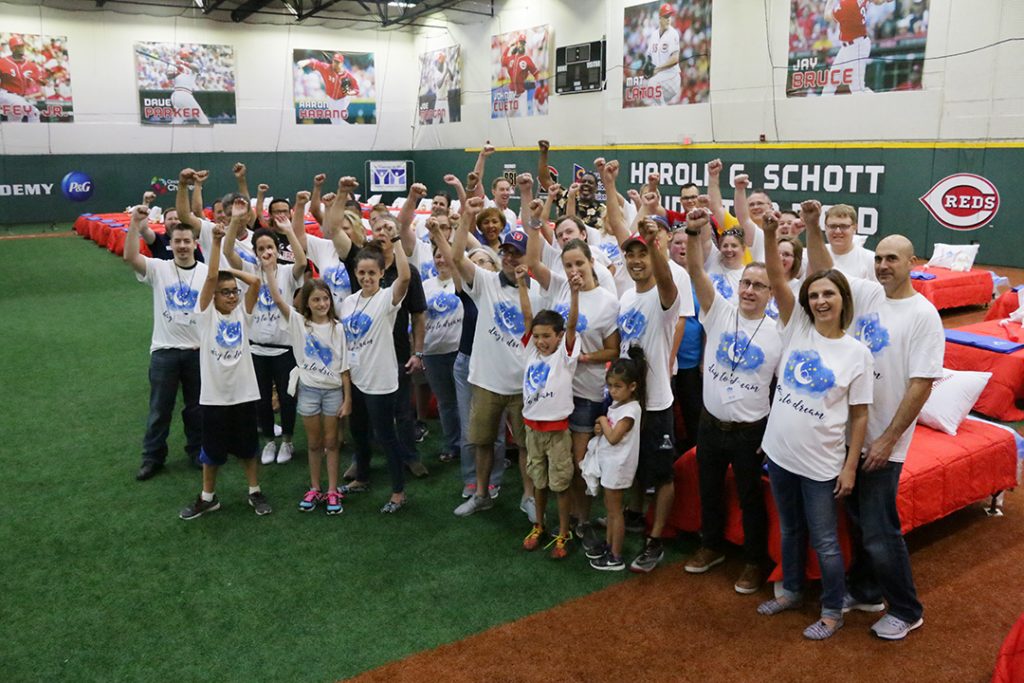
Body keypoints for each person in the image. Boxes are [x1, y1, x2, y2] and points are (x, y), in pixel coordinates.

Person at [756, 209, 873, 641]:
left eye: (829, 294)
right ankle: (788, 590)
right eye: (815, 294)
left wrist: (849, 467)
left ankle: (831, 608)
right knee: (789, 528)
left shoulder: (858, 353)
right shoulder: (797, 327)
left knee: (825, 541)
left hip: (822, 465)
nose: (821, 301)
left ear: (844, 301)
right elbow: (774, 273)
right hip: (781, 454)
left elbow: (859, 414)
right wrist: (770, 234)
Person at [840, 229, 943, 640]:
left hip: (885, 442)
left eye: (893, 259)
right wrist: (813, 228)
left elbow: (921, 384)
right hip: (852, 437)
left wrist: (888, 440)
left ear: (912, 262)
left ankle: (906, 608)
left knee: (881, 530)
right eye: (879, 258)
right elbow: (822, 265)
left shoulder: (923, 315)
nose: (883, 265)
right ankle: (866, 591)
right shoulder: (867, 295)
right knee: (858, 522)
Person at [681, 208, 781, 594]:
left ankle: (755, 562)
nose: (750, 290)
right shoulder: (719, 311)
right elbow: (695, 271)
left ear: (772, 293)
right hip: (710, 424)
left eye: (759, 285)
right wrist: (693, 231)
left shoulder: (777, 332)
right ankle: (711, 546)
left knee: (750, 498)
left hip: (750, 432)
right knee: (708, 489)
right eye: (746, 284)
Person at [524, 199, 621, 554]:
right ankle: (565, 521)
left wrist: (582, 357)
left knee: (579, 463)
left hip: (586, 391)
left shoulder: (609, 301)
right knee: (556, 461)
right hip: (554, 395)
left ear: (591, 261)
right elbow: (533, 262)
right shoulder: (562, 288)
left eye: (578, 262)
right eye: (568, 264)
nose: (573, 269)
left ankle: (582, 520)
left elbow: (614, 350)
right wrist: (535, 220)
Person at [602, 160, 680, 574]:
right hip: (628, 399)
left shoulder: (664, 296)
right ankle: (634, 516)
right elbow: (617, 228)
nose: (635, 260)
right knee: (632, 467)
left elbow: (666, 280)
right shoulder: (627, 297)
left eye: (641, 255)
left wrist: (656, 246)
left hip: (657, 402)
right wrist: (609, 184)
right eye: (630, 255)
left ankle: (656, 539)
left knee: (661, 474)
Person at [452, 197, 540, 520]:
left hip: (523, 384)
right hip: (487, 381)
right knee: (482, 442)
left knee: (527, 448)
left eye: (516, 253)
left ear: (528, 257)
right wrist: (466, 217)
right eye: (506, 252)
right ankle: (481, 494)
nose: (509, 258)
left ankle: (528, 497)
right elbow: (457, 256)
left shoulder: (538, 290)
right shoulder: (486, 282)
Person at [179, 221, 271, 519]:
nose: (232, 296)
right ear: (214, 296)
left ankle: (254, 492)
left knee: (248, 449)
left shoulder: (243, 314)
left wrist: (232, 276)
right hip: (215, 397)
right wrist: (216, 246)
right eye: (226, 292)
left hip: (244, 394)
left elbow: (255, 283)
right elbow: (208, 280)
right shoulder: (205, 317)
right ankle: (208, 497)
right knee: (211, 453)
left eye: (233, 292)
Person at [123, 204, 207, 481]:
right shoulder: (159, 268)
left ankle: (197, 451)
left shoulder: (206, 272)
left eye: (187, 241)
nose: (182, 246)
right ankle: (152, 457)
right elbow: (130, 256)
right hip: (164, 352)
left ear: (195, 244)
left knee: (196, 408)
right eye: (177, 241)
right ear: (169, 244)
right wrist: (135, 223)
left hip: (196, 352)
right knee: (160, 409)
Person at [223, 194, 308, 467]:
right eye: (261, 248)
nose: (266, 252)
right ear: (256, 252)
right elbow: (227, 253)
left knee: (286, 397)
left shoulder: (286, 273)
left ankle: (288, 440)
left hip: (284, 348)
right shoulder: (249, 271)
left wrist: (287, 232)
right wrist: (235, 220)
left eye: (270, 247)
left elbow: (303, 263)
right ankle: (270, 440)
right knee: (260, 398)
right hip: (257, 348)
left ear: (276, 248)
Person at [265, 273, 352, 516]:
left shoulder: (339, 329)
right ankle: (315, 487)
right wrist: (270, 270)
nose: (322, 304)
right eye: (316, 300)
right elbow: (278, 299)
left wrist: (348, 400)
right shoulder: (299, 324)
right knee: (314, 444)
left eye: (325, 299)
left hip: (333, 392)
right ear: (307, 304)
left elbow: (345, 368)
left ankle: (333, 489)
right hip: (309, 392)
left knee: (332, 443)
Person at [337, 240, 413, 514]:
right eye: (362, 273)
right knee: (359, 433)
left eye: (372, 273)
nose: (367, 277)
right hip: (355, 379)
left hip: (380, 380)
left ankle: (398, 492)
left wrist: (397, 244)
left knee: (385, 435)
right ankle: (362, 478)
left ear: (382, 274)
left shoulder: (386, 298)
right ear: (356, 274)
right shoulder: (348, 302)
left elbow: (405, 277)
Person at [519, 265, 581, 559]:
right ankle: (539, 524)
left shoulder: (564, 355)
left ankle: (564, 531)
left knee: (561, 483)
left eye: (547, 336)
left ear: (559, 337)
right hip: (533, 429)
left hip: (557, 432)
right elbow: (529, 318)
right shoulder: (531, 351)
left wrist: (576, 293)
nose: (541, 341)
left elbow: (571, 325)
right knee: (538, 480)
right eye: (538, 336)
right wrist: (522, 285)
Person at [583, 348, 646, 571]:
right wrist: (601, 425)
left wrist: (600, 419)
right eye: (610, 386)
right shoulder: (619, 406)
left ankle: (616, 556)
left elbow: (613, 437)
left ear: (632, 387)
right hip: (611, 464)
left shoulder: (630, 410)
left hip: (618, 467)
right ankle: (609, 546)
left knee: (615, 512)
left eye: (618, 386)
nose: (613, 390)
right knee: (611, 510)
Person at [420, 216, 465, 465]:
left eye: (443, 254)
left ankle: (469, 444)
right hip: (433, 353)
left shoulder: (461, 279)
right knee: (446, 403)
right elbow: (419, 319)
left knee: (465, 401)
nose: (440, 259)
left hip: (460, 351)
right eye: (436, 255)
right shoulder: (426, 285)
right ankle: (452, 444)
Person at [822, 0, 889, 95]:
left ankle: (876, 105)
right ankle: (823, 107)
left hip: (855, 46)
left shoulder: (846, 4)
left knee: (857, 89)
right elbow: (878, 2)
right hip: (849, 46)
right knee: (830, 83)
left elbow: (826, 16)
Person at [297, 53, 361, 124]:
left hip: (343, 98)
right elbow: (315, 62)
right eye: (334, 61)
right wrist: (305, 62)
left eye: (338, 62)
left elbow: (357, 89)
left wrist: (350, 92)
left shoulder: (347, 75)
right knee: (335, 122)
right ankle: (353, 128)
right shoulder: (326, 68)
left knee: (337, 121)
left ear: (342, 63)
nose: (335, 63)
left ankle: (353, 128)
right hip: (330, 98)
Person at [824, 204, 877, 281]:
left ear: (854, 228)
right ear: (825, 228)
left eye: (844, 226)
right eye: (832, 226)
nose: (838, 231)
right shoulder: (815, 254)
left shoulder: (870, 259)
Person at [643, 4, 681, 105]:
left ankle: (664, 111)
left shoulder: (673, 34)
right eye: (666, 16)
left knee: (653, 83)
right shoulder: (654, 35)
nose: (669, 19)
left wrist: (657, 69)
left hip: (672, 78)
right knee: (648, 96)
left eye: (670, 16)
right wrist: (647, 65)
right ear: (660, 18)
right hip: (661, 79)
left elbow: (675, 59)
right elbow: (649, 55)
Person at [0, 35, 43, 122]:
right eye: (18, 46)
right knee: (33, 112)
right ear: (13, 49)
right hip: (5, 95)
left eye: (22, 46)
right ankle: (36, 135)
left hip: (19, 97)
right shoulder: (3, 62)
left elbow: (39, 80)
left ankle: (11, 135)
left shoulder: (30, 64)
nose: (22, 48)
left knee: (14, 123)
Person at [169, 50, 210, 125]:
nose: (192, 56)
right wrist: (177, 72)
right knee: (203, 118)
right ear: (185, 57)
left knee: (177, 121)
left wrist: (183, 63)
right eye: (190, 55)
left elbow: (196, 69)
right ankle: (207, 135)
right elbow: (169, 76)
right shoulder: (176, 66)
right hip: (181, 94)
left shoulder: (193, 65)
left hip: (183, 95)